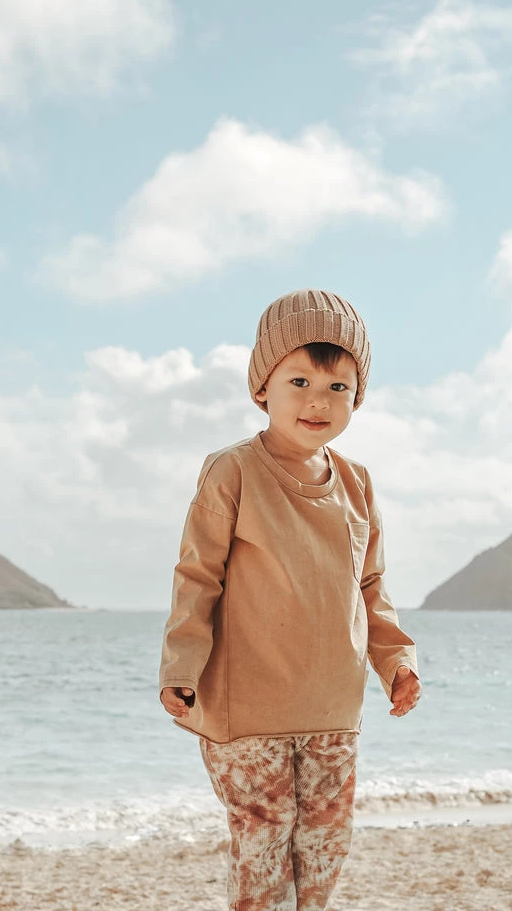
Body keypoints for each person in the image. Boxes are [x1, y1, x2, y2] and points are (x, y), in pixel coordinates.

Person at [158, 288, 421, 911]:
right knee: (264, 839)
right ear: (263, 387)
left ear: (357, 397)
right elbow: (198, 577)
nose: (317, 401)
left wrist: (396, 662)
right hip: (246, 707)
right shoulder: (232, 471)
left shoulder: (357, 483)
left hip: (332, 705)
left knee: (325, 844)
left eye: (338, 387)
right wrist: (180, 667)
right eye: (299, 381)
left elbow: (370, 586)